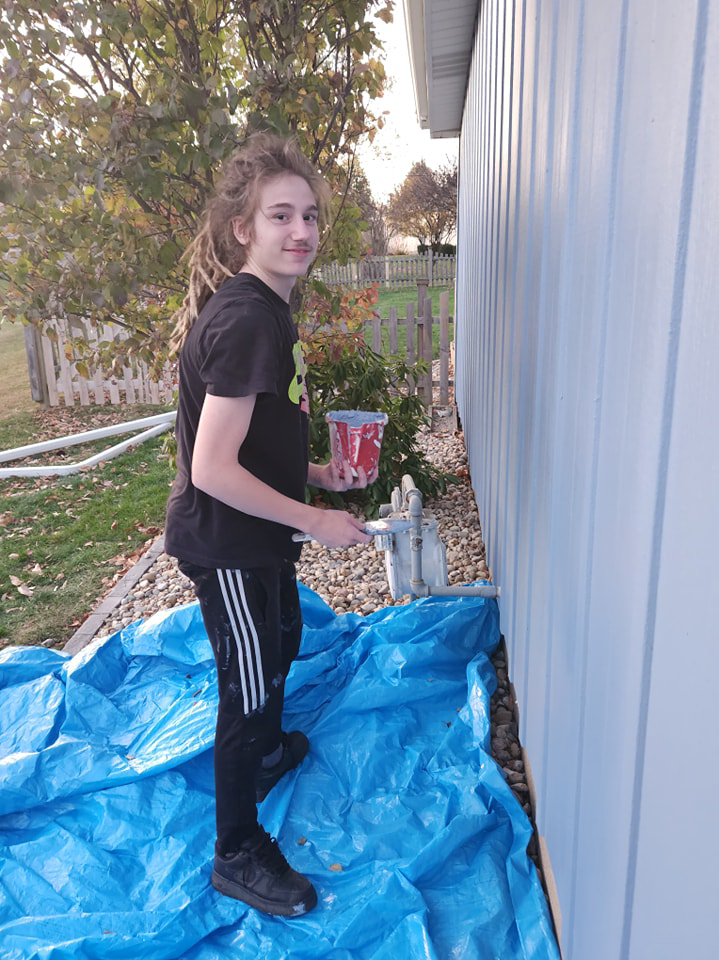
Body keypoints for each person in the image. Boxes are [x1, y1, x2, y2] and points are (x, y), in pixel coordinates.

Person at [164, 133, 376, 918]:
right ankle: (236, 849)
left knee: (282, 637)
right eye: (279, 215)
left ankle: (263, 756)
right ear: (241, 229)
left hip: (259, 535)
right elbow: (213, 469)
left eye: (311, 216)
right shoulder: (249, 318)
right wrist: (315, 518)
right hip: (226, 543)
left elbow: (253, 443)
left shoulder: (269, 311)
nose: (300, 231)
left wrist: (318, 474)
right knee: (248, 693)